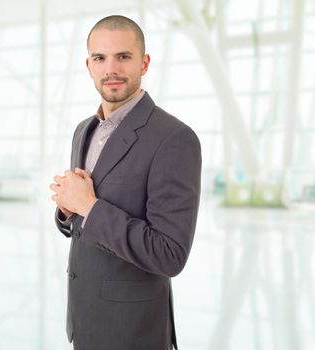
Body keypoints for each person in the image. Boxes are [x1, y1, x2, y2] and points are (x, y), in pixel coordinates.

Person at [49, 15, 201, 350]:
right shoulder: (83, 130)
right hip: (85, 322)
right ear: (88, 65)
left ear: (144, 63)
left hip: (134, 332)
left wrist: (88, 206)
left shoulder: (174, 138)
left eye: (123, 56)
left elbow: (169, 254)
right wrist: (68, 210)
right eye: (100, 58)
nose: (111, 69)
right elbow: (85, 223)